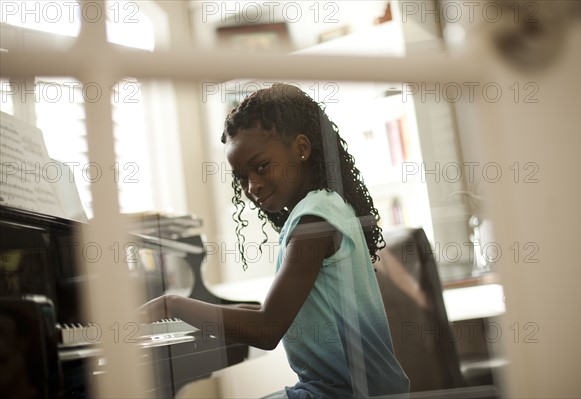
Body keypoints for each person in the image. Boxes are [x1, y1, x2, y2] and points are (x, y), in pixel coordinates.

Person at [141, 83, 410, 398]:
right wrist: (208, 312)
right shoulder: (327, 206)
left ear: (301, 148)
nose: (252, 186)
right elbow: (269, 312)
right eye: (242, 177)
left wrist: (170, 304)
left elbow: (268, 329)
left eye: (261, 167)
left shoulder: (314, 222)